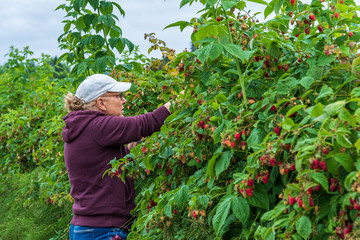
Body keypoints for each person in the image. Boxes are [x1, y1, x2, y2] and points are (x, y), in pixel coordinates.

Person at [62, 74, 172, 240]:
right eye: (118, 96)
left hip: (86, 228)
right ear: (101, 103)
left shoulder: (82, 126)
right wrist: (180, 101)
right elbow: (148, 123)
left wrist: (129, 149)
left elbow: (104, 165)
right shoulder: (98, 126)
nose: (124, 101)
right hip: (102, 231)